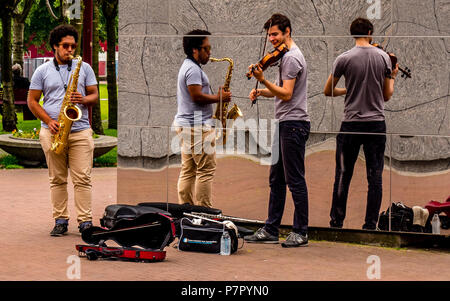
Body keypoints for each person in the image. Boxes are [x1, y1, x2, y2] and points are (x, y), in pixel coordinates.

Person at [323, 18, 399, 230]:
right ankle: (370, 225)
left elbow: (327, 90)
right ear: (369, 32)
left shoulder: (343, 58)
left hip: (351, 123)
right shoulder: (383, 58)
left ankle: (336, 223)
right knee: (375, 177)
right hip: (375, 124)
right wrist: (392, 77)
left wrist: (347, 91)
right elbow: (386, 96)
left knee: (343, 175)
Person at [244, 13, 310, 247]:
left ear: (287, 32)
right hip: (286, 122)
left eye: (275, 34)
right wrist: (262, 91)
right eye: (269, 34)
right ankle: (271, 229)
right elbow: (281, 89)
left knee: (294, 180)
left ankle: (300, 231)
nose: (271, 39)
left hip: (293, 124)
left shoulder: (291, 58)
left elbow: (288, 94)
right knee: (277, 179)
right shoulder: (286, 57)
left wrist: (262, 81)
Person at [27, 24, 99, 236]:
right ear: (54, 47)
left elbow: (94, 94)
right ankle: (60, 220)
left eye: (73, 46)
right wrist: (49, 121)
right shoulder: (42, 71)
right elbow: (32, 101)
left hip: (80, 130)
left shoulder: (84, 68)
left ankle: (85, 221)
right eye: (65, 46)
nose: (70, 50)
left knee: (82, 178)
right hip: (53, 131)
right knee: (57, 178)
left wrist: (84, 99)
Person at [173, 29, 231, 208]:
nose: (210, 52)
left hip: (188, 126)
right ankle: (204, 212)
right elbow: (196, 96)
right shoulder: (192, 70)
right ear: (195, 50)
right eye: (206, 49)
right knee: (205, 171)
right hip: (196, 127)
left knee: (189, 170)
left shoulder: (189, 67)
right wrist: (220, 98)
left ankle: (186, 210)